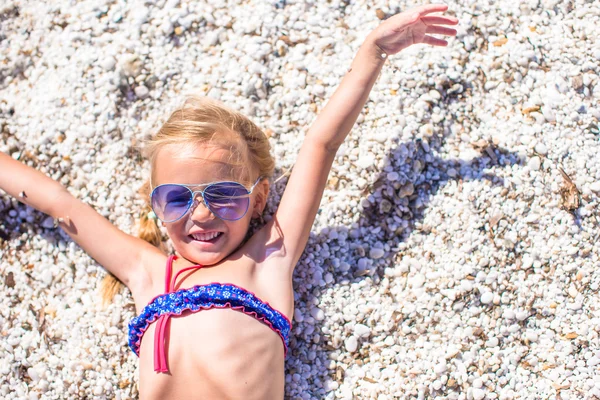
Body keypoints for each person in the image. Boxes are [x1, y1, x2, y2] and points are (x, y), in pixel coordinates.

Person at [0, 4, 457, 399]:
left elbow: (320, 144)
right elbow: (61, 205)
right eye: (177, 199)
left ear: (258, 200)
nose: (201, 214)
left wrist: (372, 52)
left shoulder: (268, 260)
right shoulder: (149, 271)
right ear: (156, 207)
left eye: (222, 196)